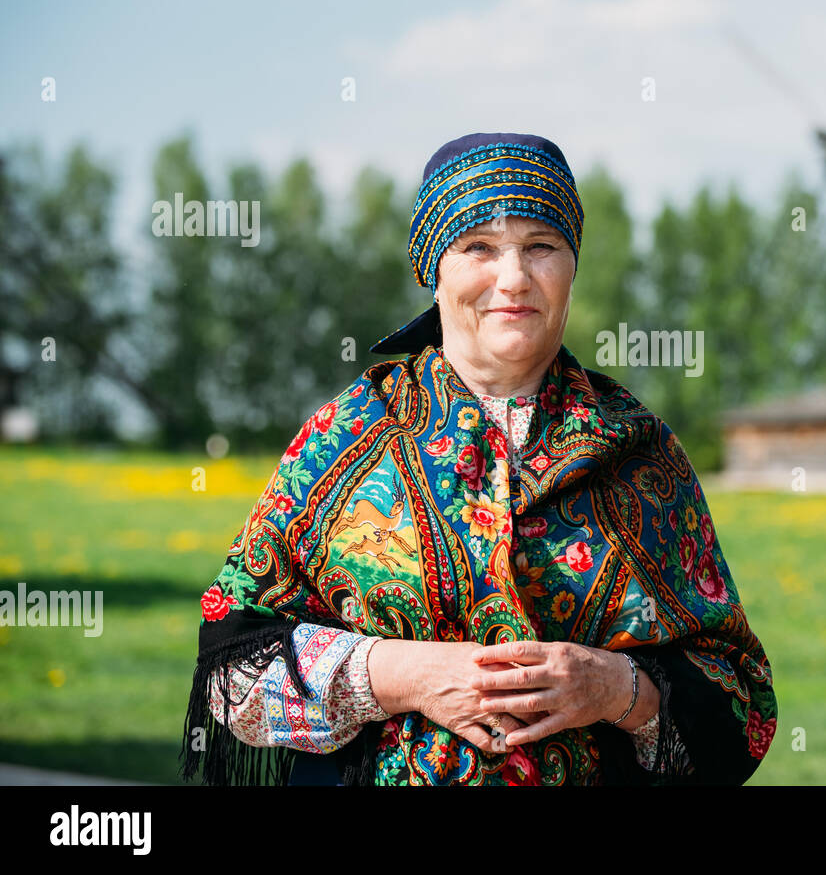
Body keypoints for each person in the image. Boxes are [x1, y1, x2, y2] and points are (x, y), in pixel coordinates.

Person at [179, 132, 778, 785]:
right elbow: (232, 671)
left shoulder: (638, 449)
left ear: (572, 266)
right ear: (434, 270)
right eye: (479, 248)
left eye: (541, 247)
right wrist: (410, 676)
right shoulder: (347, 436)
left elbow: (742, 704)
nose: (514, 278)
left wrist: (613, 687)